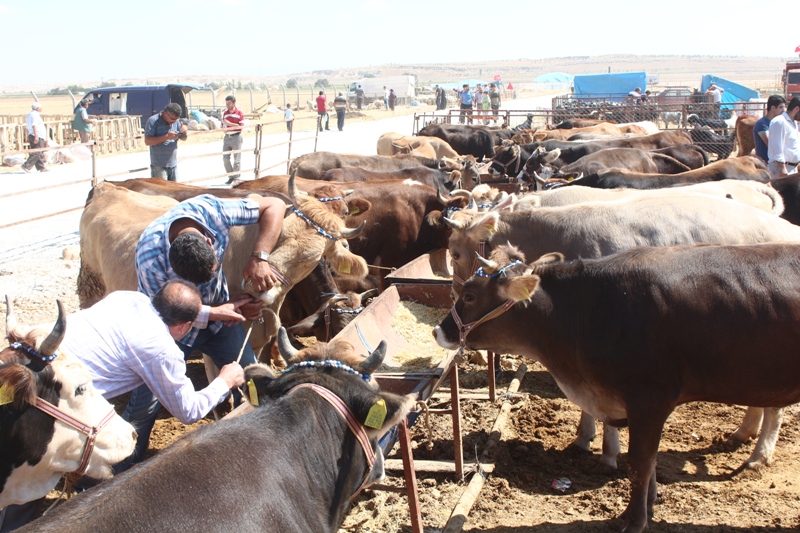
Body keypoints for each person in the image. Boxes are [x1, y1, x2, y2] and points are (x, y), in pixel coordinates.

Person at [0, 280, 246, 531]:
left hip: (30, 379)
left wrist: (210, 312)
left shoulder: (128, 298)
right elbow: (188, 411)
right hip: (61, 405)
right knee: (35, 466)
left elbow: (166, 310)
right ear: (184, 326)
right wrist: (224, 382)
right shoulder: (161, 349)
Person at [125, 192, 285, 471]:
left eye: (212, 271)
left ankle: (264, 451)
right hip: (172, 330)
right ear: (172, 262)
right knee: (145, 404)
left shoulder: (213, 211)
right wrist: (219, 309)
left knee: (251, 381)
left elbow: (275, 205)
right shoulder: (150, 257)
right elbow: (162, 313)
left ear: (210, 241)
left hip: (220, 323)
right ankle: (123, 464)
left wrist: (260, 257)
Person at [144, 102, 187, 182]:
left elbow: (184, 138)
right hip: (159, 167)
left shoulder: (176, 121)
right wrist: (166, 137)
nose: (174, 122)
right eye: (172, 119)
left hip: (173, 165)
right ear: (166, 114)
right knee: (161, 192)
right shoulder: (153, 121)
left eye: (176, 120)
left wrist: (184, 132)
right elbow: (148, 141)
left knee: (175, 192)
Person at [767, 96, 800, 179]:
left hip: (792, 168)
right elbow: (777, 147)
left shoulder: (794, 124)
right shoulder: (780, 122)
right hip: (781, 169)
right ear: (797, 109)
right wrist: (782, 169)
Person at [753, 95, 787, 163]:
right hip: (765, 163)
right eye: (781, 107)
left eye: (784, 107)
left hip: (776, 162)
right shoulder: (762, 124)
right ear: (773, 108)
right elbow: (770, 144)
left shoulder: (780, 123)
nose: (784, 110)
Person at [221, 95, 244, 184]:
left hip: (236, 137)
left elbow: (241, 126)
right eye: (226, 103)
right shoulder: (225, 113)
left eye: (229, 103)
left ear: (234, 103)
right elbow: (224, 124)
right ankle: (230, 176)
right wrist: (224, 128)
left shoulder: (239, 113)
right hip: (227, 137)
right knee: (225, 158)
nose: (227, 105)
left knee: (237, 159)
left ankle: (236, 178)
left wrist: (229, 124)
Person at [21, 102, 47, 173]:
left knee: (38, 151)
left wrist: (27, 135)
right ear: (37, 108)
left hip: (31, 134)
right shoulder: (35, 115)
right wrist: (36, 136)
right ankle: (26, 165)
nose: (41, 109)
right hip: (37, 134)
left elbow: (27, 127)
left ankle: (41, 167)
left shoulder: (29, 115)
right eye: (40, 108)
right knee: (37, 151)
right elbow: (34, 125)